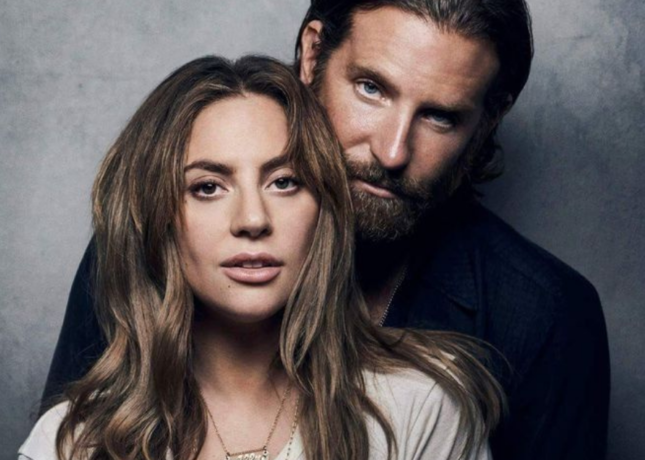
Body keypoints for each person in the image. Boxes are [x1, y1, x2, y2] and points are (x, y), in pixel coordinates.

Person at [43, 1, 610, 459]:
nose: (392, 151)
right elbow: (86, 427)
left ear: (489, 117)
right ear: (313, 55)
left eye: (440, 116)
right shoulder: (157, 246)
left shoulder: (544, 315)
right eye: (371, 88)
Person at [21, 55, 502, 460]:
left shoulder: (419, 407)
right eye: (208, 187)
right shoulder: (75, 442)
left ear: (326, 209)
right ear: (157, 218)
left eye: (284, 182)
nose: (252, 219)